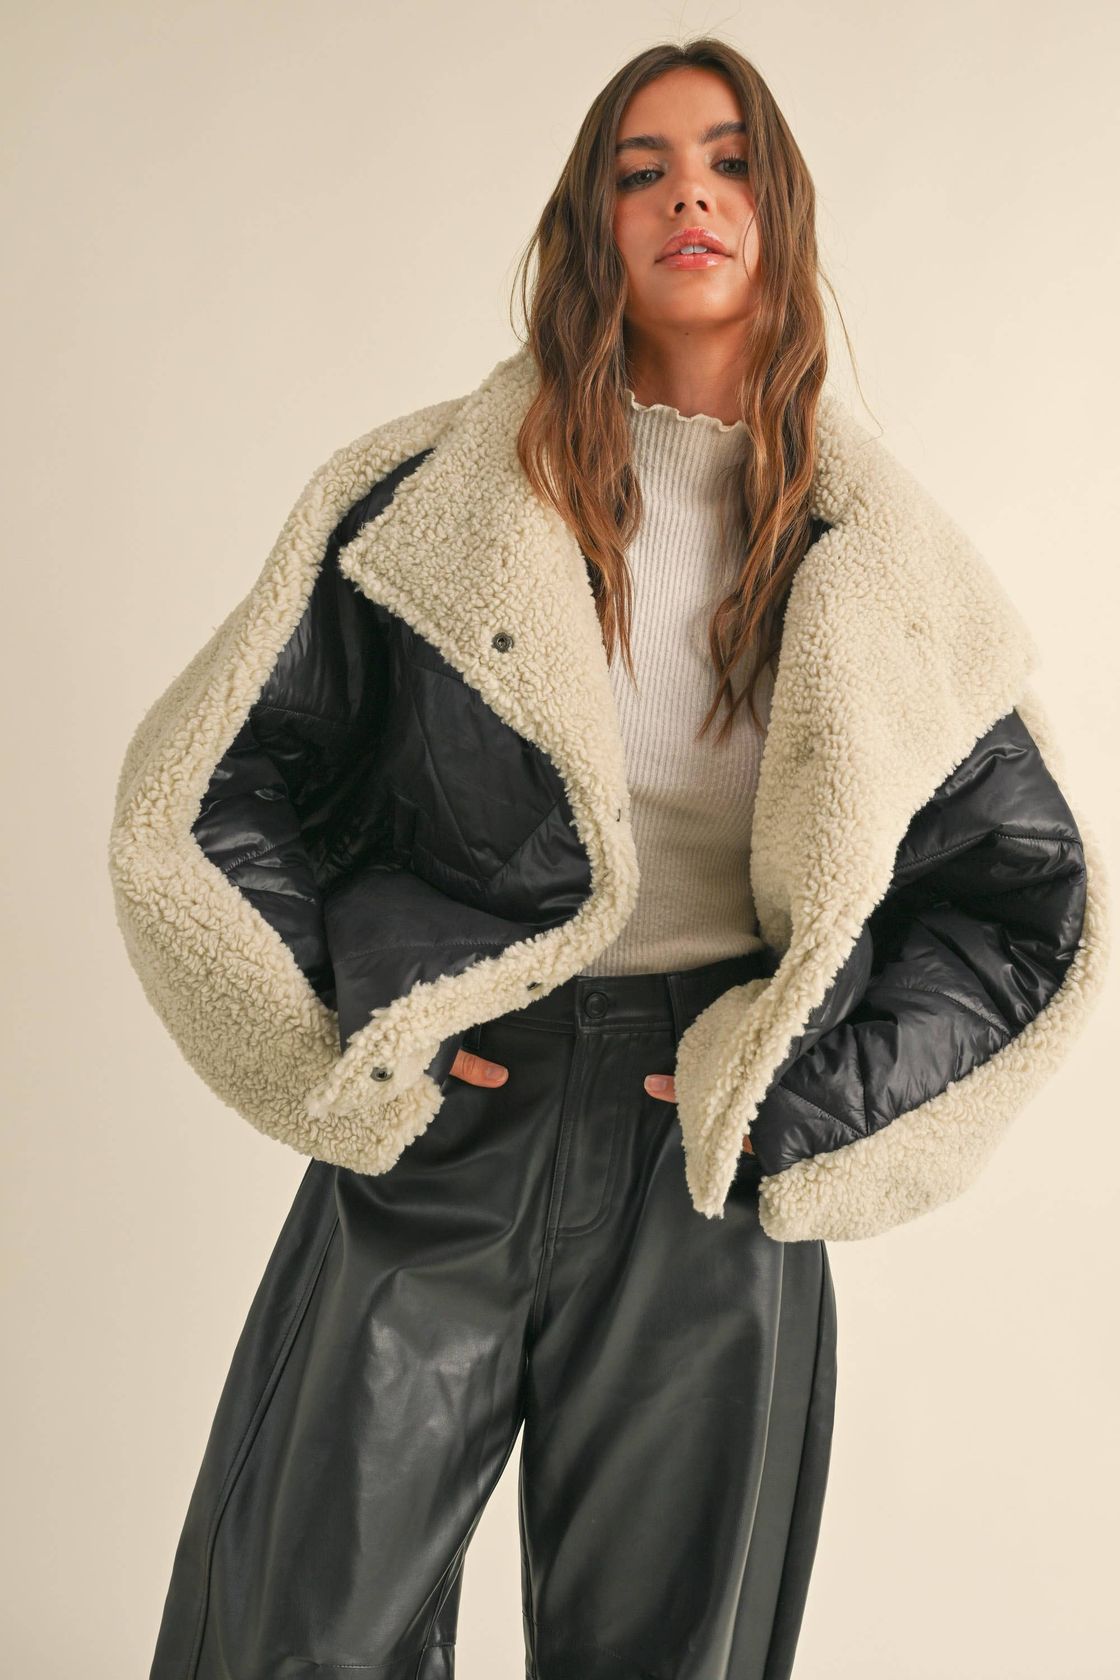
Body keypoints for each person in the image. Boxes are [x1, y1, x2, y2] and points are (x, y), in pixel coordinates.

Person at [108, 37, 1107, 1680]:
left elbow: (1023, 908)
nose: (687, 195)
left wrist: (798, 1101)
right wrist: (362, 1033)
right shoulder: (423, 503)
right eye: (642, 171)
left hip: (702, 1156)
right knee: (293, 1626)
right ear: (594, 226)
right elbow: (217, 781)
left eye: (726, 162)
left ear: (780, 214)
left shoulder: (884, 565)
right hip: (451, 1125)